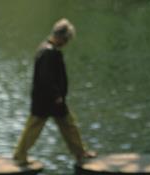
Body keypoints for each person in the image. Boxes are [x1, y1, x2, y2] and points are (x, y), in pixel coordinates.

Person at [13, 18, 95, 166]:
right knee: (34, 127)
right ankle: (20, 155)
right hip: (47, 100)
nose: (66, 43)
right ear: (60, 37)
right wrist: (56, 95)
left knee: (69, 125)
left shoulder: (46, 49)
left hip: (52, 99)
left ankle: (80, 153)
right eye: (66, 39)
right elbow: (46, 78)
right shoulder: (48, 53)